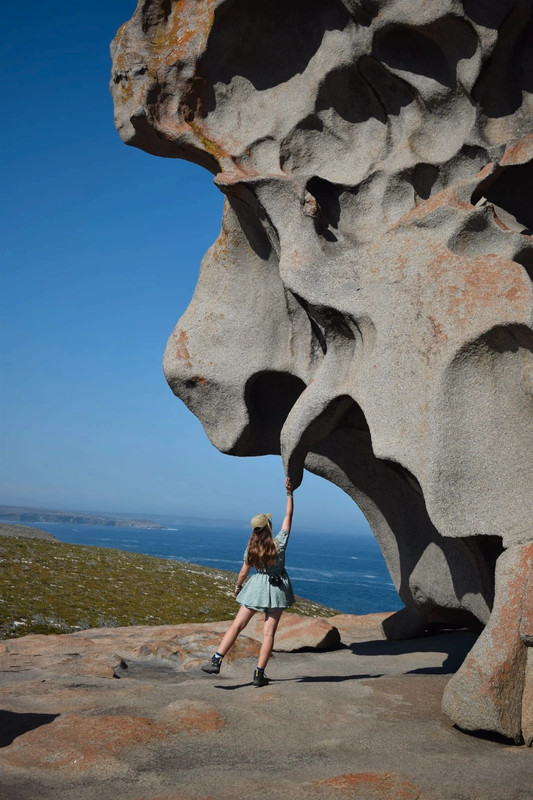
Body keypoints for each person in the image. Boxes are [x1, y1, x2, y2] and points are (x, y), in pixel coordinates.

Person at [201, 477, 296, 687]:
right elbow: (289, 517)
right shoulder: (278, 543)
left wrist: (237, 587)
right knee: (268, 633)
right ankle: (258, 674)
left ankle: (216, 659)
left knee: (237, 625)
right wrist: (289, 493)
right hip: (277, 588)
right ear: (269, 526)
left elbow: (244, 571)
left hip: (256, 588)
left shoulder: (251, 549)